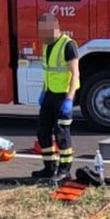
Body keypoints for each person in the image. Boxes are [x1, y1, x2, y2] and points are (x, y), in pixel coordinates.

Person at [32, 13, 80, 181]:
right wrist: (44, 91)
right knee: (42, 132)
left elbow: (75, 74)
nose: (41, 35)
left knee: (61, 134)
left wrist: (69, 99)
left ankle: (65, 170)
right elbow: (48, 71)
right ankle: (49, 168)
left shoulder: (68, 45)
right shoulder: (47, 46)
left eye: (43, 31)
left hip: (63, 96)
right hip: (50, 94)